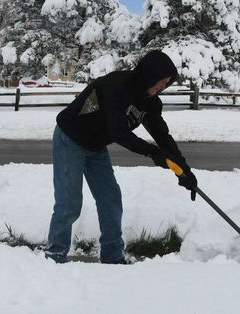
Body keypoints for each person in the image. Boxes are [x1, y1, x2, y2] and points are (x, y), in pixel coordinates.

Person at [44, 50, 197, 264]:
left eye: (167, 83)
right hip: (70, 138)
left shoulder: (150, 102)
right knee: (70, 202)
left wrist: (184, 169)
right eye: (161, 81)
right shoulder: (116, 86)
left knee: (110, 199)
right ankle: (55, 254)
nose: (163, 86)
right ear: (150, 75)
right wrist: (154, 153)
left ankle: (112, 255)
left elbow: (162, 136)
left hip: (96, 145)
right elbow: (119, 133)